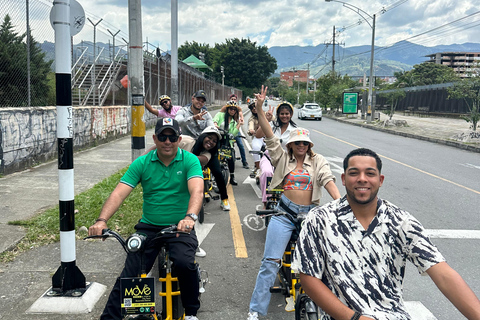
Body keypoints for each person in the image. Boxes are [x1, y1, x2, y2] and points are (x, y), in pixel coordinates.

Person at [292, 148, 480, 320]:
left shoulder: (401, 222)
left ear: (380, 180)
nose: (362, 179)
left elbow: (444, 275)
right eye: (354, 173)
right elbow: (309, 277)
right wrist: (354, 319)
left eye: (370, 173)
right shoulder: (319, 219)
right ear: (343, 179)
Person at [89, 118, 203, 320]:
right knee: (131, 272)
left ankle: (192, 312)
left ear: (178, 139)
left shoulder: (190, 160)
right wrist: (101, 220)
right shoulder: (142, 162)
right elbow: (118, 194)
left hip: (180, 227)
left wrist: (189, 217)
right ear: (155, 138)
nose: (167, 141)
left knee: (184, 263)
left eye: (172, 137)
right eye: (162, 137)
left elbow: (197, 191)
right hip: (148, 227)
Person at [247, 86, 341, 320]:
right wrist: (259, 108)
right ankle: (255, 311)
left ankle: (331, 310)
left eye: (305, 144)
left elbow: (327, 180)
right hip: (285, 214)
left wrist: (341, 203)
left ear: (309, 145)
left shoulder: (317, 160)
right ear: (291, 145)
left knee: (325, 264)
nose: (301, 146)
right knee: (270, 262)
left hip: (311, 215)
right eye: (298, 143)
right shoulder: (282, 156)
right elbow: (269, 135)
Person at [176, 90, 231, 211]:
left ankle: (224, 199)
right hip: (189, 144)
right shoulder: (183, 111)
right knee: (182, 171)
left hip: (205, 144)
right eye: (198, 99)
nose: (200, 102)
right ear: (192, 98)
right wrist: (193, 118)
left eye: (202, 101)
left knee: (217, 171)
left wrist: (215, 128)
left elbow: (211, 125)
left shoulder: (206, 114)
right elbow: (177, 121)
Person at [255, 100, 296, 209]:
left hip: (286, 160)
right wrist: (266, 121)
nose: (284, 116)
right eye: (282, 113)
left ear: (291, 114)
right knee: (266, 172)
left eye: (287, 113)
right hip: (269, 157)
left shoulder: (295, 130)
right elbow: (258, 135)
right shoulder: (272, 125)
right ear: (277, 115)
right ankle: (265, 203)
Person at [213, 100, 242, 186]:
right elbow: (215, 120)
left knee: (231, 158)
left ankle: (232, 176)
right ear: (227, 109)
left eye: (234, 109)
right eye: (231, 109)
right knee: (212, 155)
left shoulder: (234, 121)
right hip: (218, 139)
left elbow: (233, 133)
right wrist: (215, 124)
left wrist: (238, 125)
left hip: (227, 141)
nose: (232, 111)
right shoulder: (220, 115)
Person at [226, 93, 249, 169]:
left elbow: (241, 116)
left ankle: (244, 161)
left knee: (240, 145)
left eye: (234, 99)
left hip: (236, 129)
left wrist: (241, 121)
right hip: (227, 129)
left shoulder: (238, 109)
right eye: (232, 99)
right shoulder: (227, 108)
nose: (233, 100)